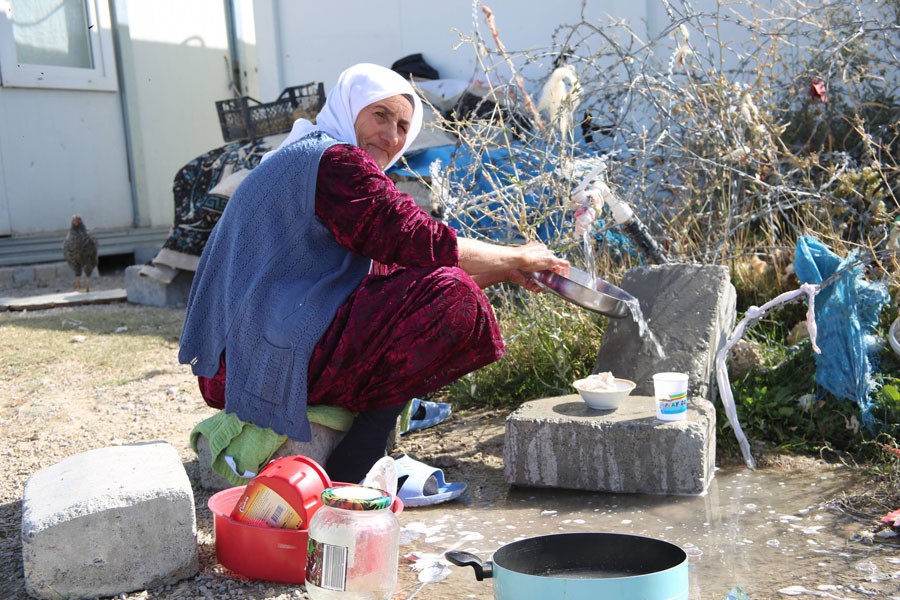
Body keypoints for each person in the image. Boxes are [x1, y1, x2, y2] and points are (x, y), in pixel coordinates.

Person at [178, 63, 569, 483]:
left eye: (403, 125)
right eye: (379, 115)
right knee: (451, 294)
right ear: (350, 108)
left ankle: (363, 445)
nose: (392, 136)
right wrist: (515, 257)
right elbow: (419, 240)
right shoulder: (334, 163)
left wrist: (507, 269)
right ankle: (361, 454)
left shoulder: (310, 154)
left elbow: (406, 270)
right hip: (255, 358)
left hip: (240, 357)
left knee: (431, 290)